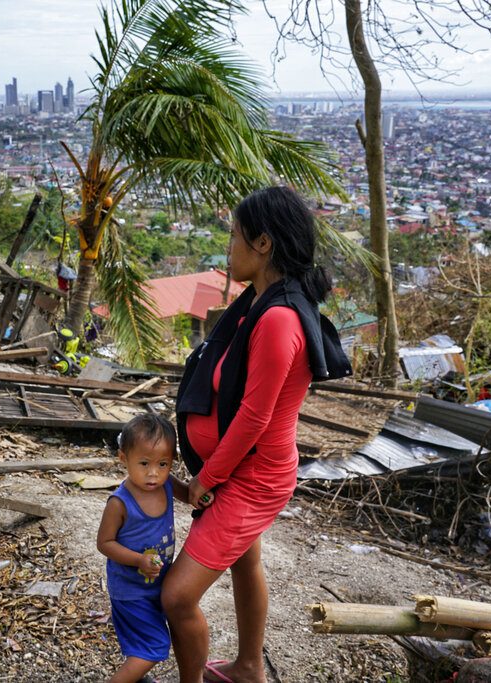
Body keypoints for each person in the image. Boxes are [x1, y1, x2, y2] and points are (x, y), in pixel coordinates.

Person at [161, 186, 351, 683]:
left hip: (252, 478)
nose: (229, 248)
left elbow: (254, 417)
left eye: (234, 237)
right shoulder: (260, 302)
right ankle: (248, 668)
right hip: (238, 469)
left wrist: (208, 478)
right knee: (246, 564)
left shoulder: (278, 318)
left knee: (177, 596)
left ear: (263, 243)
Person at [97, 414, 214, 683]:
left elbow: (190, 495)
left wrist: (204, 497)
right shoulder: (120, 503)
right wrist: (138, 559)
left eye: (162, 464)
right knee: (153, 648)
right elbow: (104, 543)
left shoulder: (167, 484)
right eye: (144, 464)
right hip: (131, 591)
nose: (153, 473)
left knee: (146, 640)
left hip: (156, 584)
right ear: (123, 458)